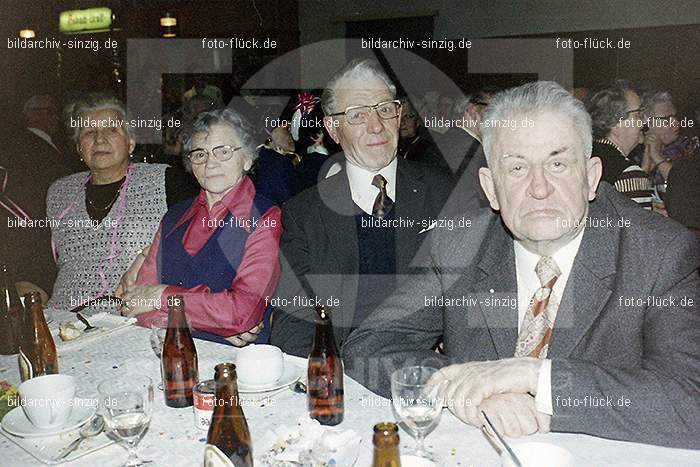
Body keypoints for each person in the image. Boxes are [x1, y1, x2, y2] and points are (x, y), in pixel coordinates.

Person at [343, 81, 700, 449]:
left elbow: (691, 402)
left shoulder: (659, 252)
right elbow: (369, 345)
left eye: (558, 163)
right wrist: (468, 386)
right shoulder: (457, 243)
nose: (539, 188)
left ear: (592, 177)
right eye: (516, 168)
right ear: (491, 188)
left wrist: (536, 379)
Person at [270, 59, 456, 357]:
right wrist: (330, 383)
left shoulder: (444, 192)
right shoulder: (304, 214)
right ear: (333, 128)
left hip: (425, 371)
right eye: (357, 115)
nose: (376, 126)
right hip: (343, 370)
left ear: (398, 115)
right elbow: (294, 321)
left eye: (384, 109)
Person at [118, 109, 282, 346]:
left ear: (247, 158)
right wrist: (213, 324)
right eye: (200, 154)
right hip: (167, 354)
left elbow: (242, 313)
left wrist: (159, 295)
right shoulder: (173, 217)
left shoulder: (266, 218)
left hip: (233, 367)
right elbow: (132, 306)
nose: (210, 163)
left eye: (223, 152)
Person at [47, 93, 198, 312]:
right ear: (80, 147)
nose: (100, 139)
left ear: (130, 142)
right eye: (89, 132)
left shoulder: (166, 181)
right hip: (66, 320)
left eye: (111, 130)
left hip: (134, 318)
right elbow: (41, 263)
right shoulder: (59, 192)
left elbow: (198, 240)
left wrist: (147, 254)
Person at [1, 95, 82, 295]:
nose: (56, 118)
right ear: (31, 115)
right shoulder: (27, 146)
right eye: (50, 111)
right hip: (32, 238)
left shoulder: (38, 146)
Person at [584, 81, 654, 209]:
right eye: (638, 115)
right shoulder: (627, 174)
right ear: (616, 122)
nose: (645, 121)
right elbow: (639, 228)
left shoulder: (583, 157)